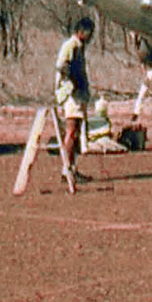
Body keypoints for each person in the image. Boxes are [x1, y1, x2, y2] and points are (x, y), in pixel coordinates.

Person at [55, 17, 94, 182]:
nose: (91, 37)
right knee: (71, 132)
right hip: (71, 94)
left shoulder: (79, 46)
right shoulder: (70, 45)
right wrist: (74, 82)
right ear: (81, 31)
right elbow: (62, 66)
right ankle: (67, 170)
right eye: (89, 33)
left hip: (78, 94)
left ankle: (72, 168)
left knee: (76, 132)